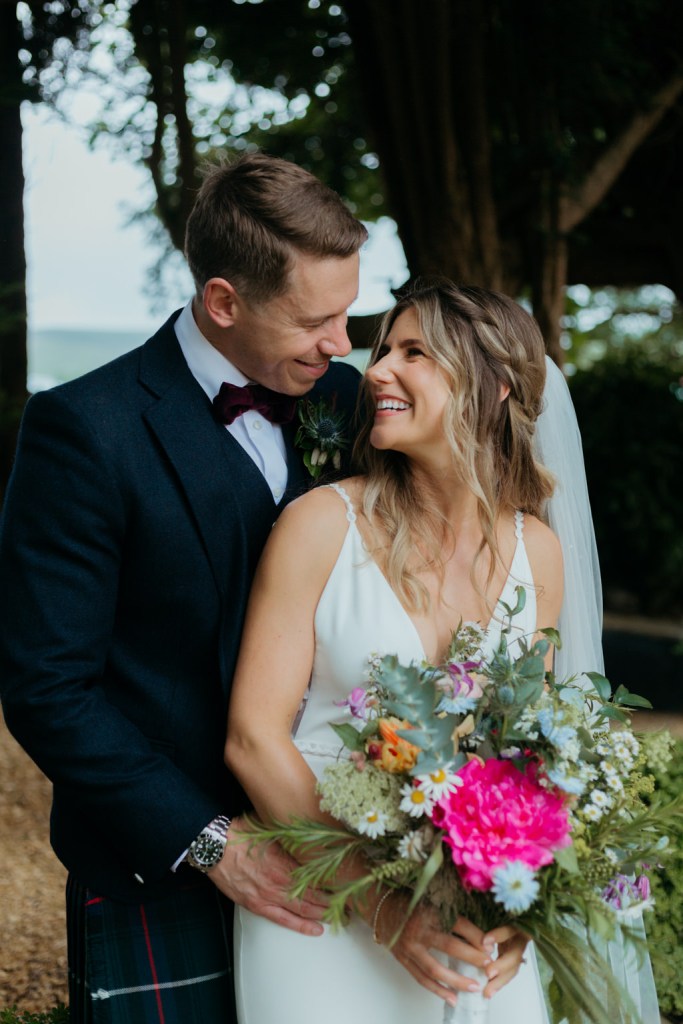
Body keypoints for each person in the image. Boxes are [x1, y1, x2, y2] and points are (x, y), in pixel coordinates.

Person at [0, 151, 368, 1024]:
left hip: (346, 845)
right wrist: (209, 842)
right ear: (223, 302)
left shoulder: (351, 404)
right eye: (315, 320)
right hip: (164, 862)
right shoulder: (84, 431)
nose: (342, 344)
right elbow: (48, 688)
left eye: (348, 313)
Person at [226, 279, 565, 1024]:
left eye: (412, 352)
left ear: (496, 384)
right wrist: (381, 905)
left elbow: (527, 764)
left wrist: (517, 912)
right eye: (383, 350)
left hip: (467, 922)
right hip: (322, 903)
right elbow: (253, 739)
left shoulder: (535, 552)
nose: (374, 369)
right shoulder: (318, 525)